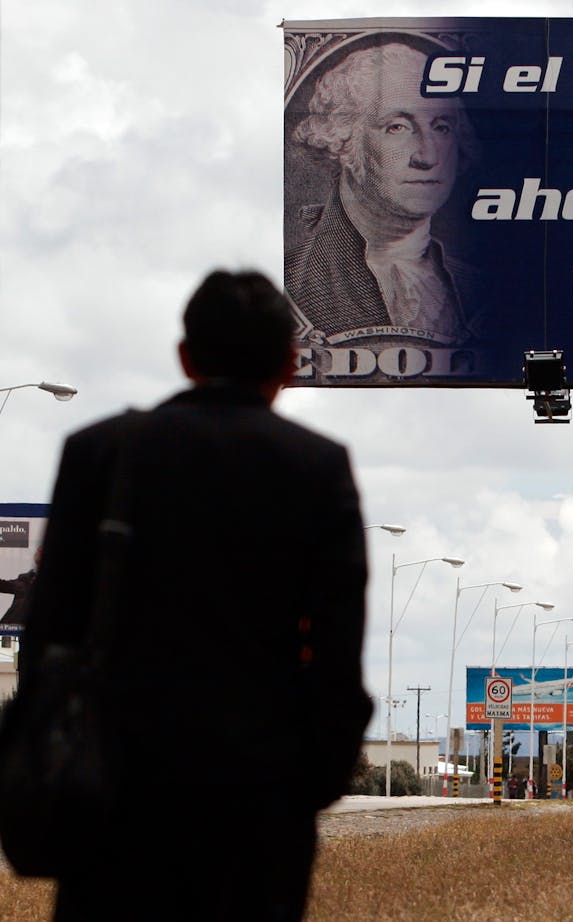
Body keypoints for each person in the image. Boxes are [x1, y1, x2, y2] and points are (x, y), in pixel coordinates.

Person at [23, 269, 372, 920]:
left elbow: (49, 635)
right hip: (257, 805)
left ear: (185, 358)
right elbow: (336, 653)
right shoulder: (316, 467)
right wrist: (310, 784)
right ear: (289, 365)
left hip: (113, 799)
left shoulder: (99, 451)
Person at [286, 40, 477, 345]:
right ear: (343, 141)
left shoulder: (482, 291)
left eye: (441, 127)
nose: (427, 157)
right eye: (397, 127)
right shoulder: (293, 285)